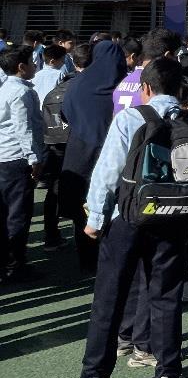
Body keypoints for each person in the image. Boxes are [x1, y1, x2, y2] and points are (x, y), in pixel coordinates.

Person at [75, 57, 188, 378]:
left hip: (128, 217)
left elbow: (108, 172)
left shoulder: (129, 118)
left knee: (109, 297)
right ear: (180, 89)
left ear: (145, 88)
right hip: (174, 219)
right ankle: (169, 377)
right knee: (166, 297)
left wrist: (95, 217)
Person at [61, 39, 127, 272]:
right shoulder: (124, 86)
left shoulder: (78, 83)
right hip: (114, 154)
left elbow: (65, 112)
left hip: (80, 151)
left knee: (83, 210)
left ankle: (87, 258)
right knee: (115, 206)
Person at [39, 42, 90, 252]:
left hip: (53, 143)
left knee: (54, 190)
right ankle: (85, 239)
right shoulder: (87, 87)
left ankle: (51, 236)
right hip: (78, 145)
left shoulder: (58, 87)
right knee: (82, 192)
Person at [0, 47, 45, 282]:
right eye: (31, 62)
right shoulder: (22, 92)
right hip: (16, 158)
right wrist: (34, 158)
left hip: (3, 156)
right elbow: (24, 128)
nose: (35, 65)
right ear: (21, 67)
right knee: (18, 214)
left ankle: (7, 261)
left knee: (5, 212)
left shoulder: (4, 88)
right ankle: (15, 264)